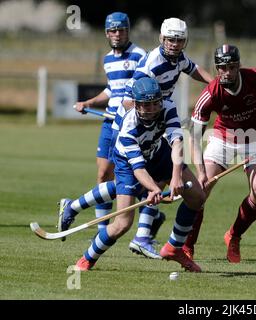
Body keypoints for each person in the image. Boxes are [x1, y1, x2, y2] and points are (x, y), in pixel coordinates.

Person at [58, 17, 213, 256]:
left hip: (153, 120)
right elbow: (130, 98)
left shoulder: (176, 58)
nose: (174, 44)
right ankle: (121, 230)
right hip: (131, 124)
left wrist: (216, 86)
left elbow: (194, 70)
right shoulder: (150, 62)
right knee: (127, 180)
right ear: (162, 39)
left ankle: (139, 234)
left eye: (179, 40)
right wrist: (140, 120)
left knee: (141, 182)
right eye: (170, 40)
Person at [74, 77, 206, 272]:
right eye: (146, 105)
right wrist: (154, 189)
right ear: (136, 104)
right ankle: (86, 259)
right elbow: (139, 169)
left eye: (155, 103)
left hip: (158, 152)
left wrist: (176, 176)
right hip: (127, 163)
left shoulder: (168, 107)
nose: (152, 109)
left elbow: (177, 142)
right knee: (122, 223)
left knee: (197, 197)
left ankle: (174, 247)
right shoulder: (128, 129)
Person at [188, 44, 256, 263]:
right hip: (223, 139)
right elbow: (193, 137)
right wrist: (200, 171)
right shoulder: (210, 93)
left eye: (232, 67)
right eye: (222, 67)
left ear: (238, 65)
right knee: (200, 190)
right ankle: (187, 247)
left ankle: (234, 235)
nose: (227, 72)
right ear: (216, 68)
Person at [61, 12, 147, 234]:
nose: (117, 34)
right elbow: (112, 89)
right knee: (102, 174)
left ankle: (145, 221)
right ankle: (102, 229)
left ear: (128, 31)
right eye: (112, 30)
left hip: (129, 125)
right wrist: (89, 102)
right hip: (109, 123)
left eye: (121, 30)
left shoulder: (139, 55)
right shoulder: (108, 59)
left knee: (124, 177)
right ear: (107, 33)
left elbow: (144, 87)